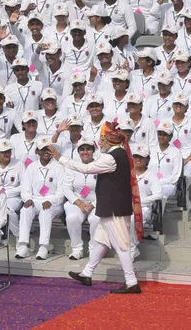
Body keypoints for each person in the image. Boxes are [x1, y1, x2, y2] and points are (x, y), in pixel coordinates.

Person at [49, 120, 143, 294]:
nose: (99, 143)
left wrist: (59, 157)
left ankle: (131, 282)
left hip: (115, 208)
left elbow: (86, 168)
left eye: (102, 139)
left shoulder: (111, 157)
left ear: (109, 140)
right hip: (111, 207)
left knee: (122, 245)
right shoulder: (118, 153)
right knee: (100, 240)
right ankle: (87, 273)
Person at [62, 137, 99, 260]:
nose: (85, 152)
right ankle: (77, 249)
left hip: (96, 202)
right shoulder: (72, 166)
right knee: (72, 218)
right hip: (77, 202)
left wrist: (93, 204)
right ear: (78, 152)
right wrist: (80, 204)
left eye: (88, 149)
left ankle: (94, 249)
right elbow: (66, 188)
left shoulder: (100, 166)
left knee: (95, 219)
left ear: (93, 150)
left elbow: (105, 189)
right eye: (82, 149)